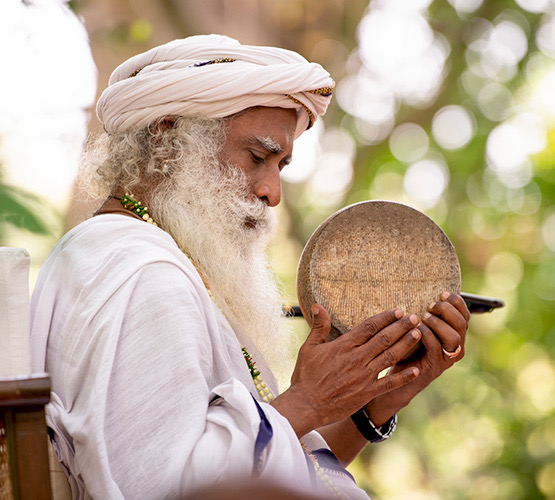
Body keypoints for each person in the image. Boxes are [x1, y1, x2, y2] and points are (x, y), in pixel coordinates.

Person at [29, 34, 470, 499]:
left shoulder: (144, 255)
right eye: (258, 157)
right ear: (168, 136)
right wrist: (307, 400)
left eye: (280, 165)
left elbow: (270, 471)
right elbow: (166, 489)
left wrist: (375, 402)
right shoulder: (142, 272)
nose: (272, 192)